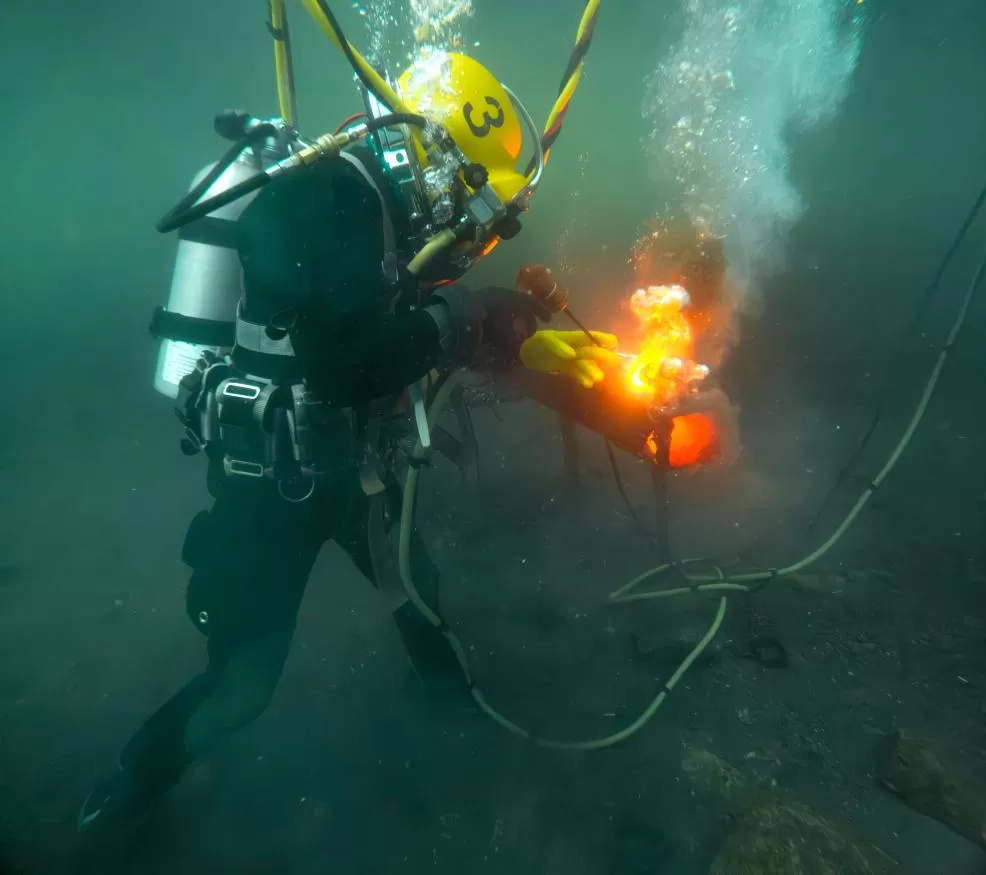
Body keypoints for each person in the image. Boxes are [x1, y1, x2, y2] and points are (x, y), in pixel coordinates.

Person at [76, 46, 619, 852]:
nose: (467, 232)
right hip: (273, 484)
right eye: (470, 202)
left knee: (415, 587)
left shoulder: (383, 215)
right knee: (242, 685)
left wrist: (504, 337)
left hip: (356, 464)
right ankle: (120, 795)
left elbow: (401, 334)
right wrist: (468, 316)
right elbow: (342, 363)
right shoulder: (325, 200)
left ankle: (457, 719)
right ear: (440, 163)